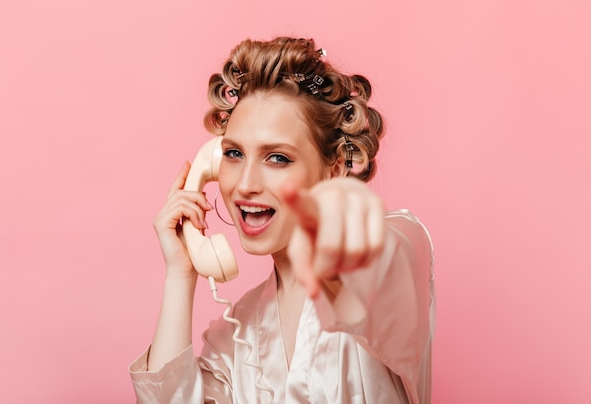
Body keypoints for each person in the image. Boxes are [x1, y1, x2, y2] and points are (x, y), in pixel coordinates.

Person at [129, 37, 435, 404]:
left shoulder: (397, 243)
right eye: (233, 153)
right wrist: (180, 273)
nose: (245, 184)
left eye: (277, 158)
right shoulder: (235, 334)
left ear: (334, 168)